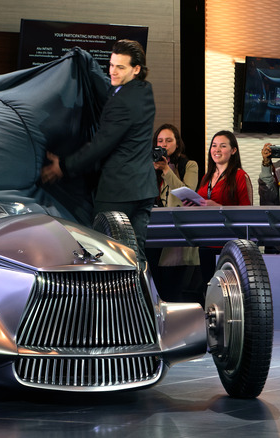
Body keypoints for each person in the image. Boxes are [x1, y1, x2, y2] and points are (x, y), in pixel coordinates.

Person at [40, 39, 157, 264]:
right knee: (137, 254)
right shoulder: (144, 92)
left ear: (136, 69)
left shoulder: (122, 101)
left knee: (106, 255)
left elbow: (101, 144)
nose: (112, 72)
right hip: (144, 189)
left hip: (118, 191)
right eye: (111, 65)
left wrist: (63, 166)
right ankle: (144, 299)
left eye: (120, 67)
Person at [182, 130, 252, 297]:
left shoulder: (240, 176)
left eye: (222, 146)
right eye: (214, 146)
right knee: (209, 290)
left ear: (233, 150)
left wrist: (219, 207)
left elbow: (248, 213)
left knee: (228, 294)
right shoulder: (207, 176)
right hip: (206, 241)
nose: (217, 150)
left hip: (227, 244)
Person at [151, 124, 200, 302]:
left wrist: (166, 170)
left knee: (173, 292)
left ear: (177, 144)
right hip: (153, 233)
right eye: (160, 141)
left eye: (169, 140)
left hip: (175, 235)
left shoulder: (189, 165)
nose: (164, 145)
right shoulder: (150, 166)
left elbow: (187, 194)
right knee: (154, 291)